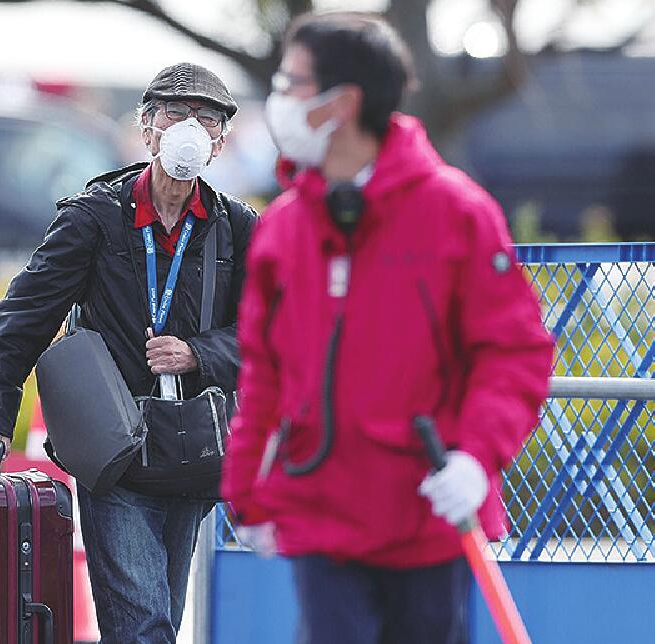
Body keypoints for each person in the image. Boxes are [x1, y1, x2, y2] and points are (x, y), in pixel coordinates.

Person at [222, 12, 554, 644]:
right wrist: (244, 491)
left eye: (291, 83)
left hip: (429, 514)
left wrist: (477, 459)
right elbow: (263, 369)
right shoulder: (284, 228)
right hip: (320, 511)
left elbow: (514, 352)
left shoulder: (456, 213)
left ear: (341, 104)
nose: (277, 101)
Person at [0, 62, 258, 643]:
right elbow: (23, 319)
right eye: (177, 115)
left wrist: (201, 354)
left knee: (155, 624)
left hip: (195, 452)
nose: (190, 131)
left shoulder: (236, 227)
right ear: (146, 128)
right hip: (116, 453)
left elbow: (273, 331)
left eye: (207, 120)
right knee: (144, 626)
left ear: (221, 142)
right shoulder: (94, 219)